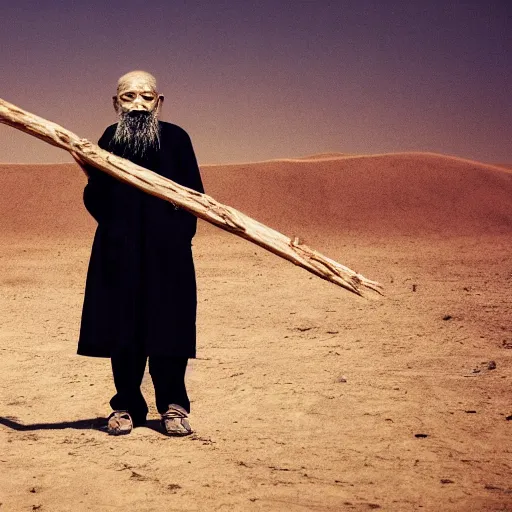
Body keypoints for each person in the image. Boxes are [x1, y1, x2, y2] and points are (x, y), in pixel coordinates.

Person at [77, 70, 204, 436]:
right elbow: (97, 199)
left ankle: (173, 407)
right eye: (129, 97)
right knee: (124, 329)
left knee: (170, 328)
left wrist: (177, 238)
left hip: (169, 254)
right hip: (120, 253)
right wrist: (90, 173)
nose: (137, 105)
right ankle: (127, 406)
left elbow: (195, 196)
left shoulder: (177, 138)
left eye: (146, 97)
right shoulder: (109, 138)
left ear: (158, 102)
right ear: (116, 103)